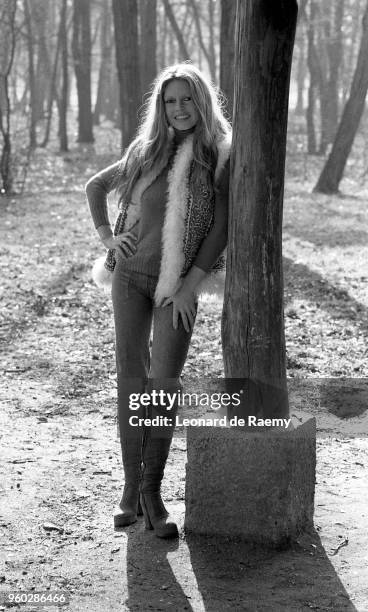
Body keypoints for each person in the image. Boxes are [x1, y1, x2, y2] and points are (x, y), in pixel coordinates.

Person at [85, 63, 232, 539]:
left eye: (187, 99)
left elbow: (220, 228)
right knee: (133, 380)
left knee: (163, 386)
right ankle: (132, 493)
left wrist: (190, 286)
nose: (179, 108)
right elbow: (95, 187)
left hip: (177, 287)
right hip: (130, 278)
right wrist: (109, 238)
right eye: (170, 100)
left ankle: (151, 491)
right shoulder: (146, 150)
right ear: (161, 106)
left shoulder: (219, 155)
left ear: (202, 101)